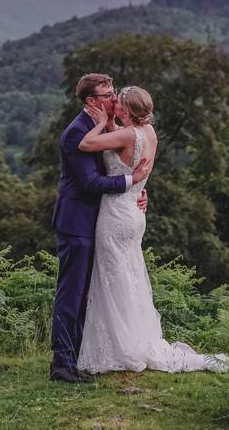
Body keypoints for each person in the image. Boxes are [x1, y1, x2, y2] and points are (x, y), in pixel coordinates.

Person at [76, 85, 229, 375]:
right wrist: (110, 124)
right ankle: (135, 339)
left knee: (113, 279)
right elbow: (122, 147)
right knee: (130, 275)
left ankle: (121, 347)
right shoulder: (149, 134)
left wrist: (98, 123)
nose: (114, 105)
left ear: (127, 110)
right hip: (135, 209)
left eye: (118, 102)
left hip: (115, 214)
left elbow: (86, 145)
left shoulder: (125, 134)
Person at [50, 73, 150, 383]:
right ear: (92, 101)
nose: (114, 99)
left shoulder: (108, 128)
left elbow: (123, 155)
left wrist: (137, 192)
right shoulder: (75, 134)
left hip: (102, 222)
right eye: (108, 95)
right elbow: (92, 183)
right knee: (71, 295)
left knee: (86, 295)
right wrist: (130, 182)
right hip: (77, 223)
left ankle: (77, 358)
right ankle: (62, 366)